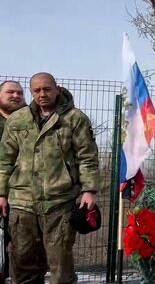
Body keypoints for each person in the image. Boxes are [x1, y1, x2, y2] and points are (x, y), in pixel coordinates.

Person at [0, 72, 100, 284]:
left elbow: (87, 157)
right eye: (36, 90)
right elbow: (5, 160)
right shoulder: (18, 120)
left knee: (60, 266)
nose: (42, 94)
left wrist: (89, 190)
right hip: (22, 203)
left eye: (47, 89)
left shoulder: (75, 119)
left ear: (56, 88)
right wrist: (1, 193)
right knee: (22, 263)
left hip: (59, 202)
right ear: (32, 92)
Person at [0, 80, 26, 280]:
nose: (16, 96)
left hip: (24, 196)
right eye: (10, 92)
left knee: (24, 251)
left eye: (19, 92)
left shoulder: (32, 120)